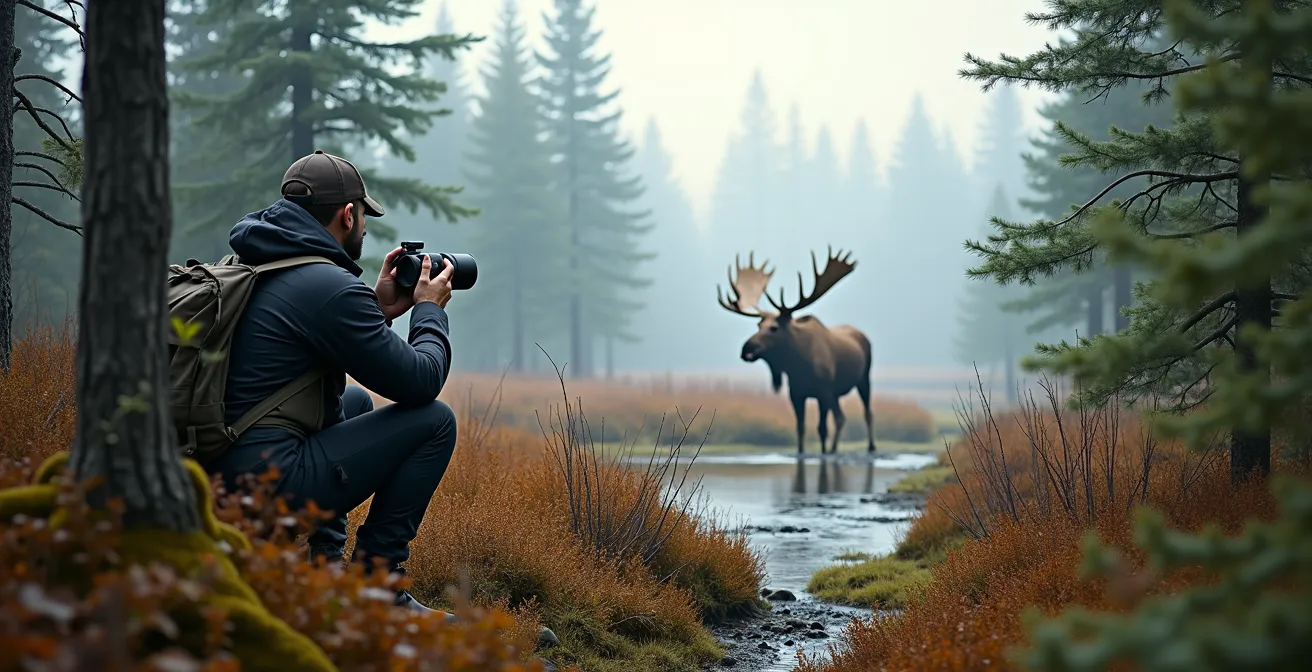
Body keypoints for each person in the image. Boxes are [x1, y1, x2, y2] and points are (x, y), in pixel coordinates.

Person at [210, 149, 457, 613]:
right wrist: (428, 310)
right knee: (436, 421)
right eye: (363, 216)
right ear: (347, 215)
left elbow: (301, 343)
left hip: (216, 469)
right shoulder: (330, 287)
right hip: (265, 486)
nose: (364, 227)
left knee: (355, 401)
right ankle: (378, 591)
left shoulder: (255, 261)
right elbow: (421, 381)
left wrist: (376, 308)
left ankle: (324, 567)